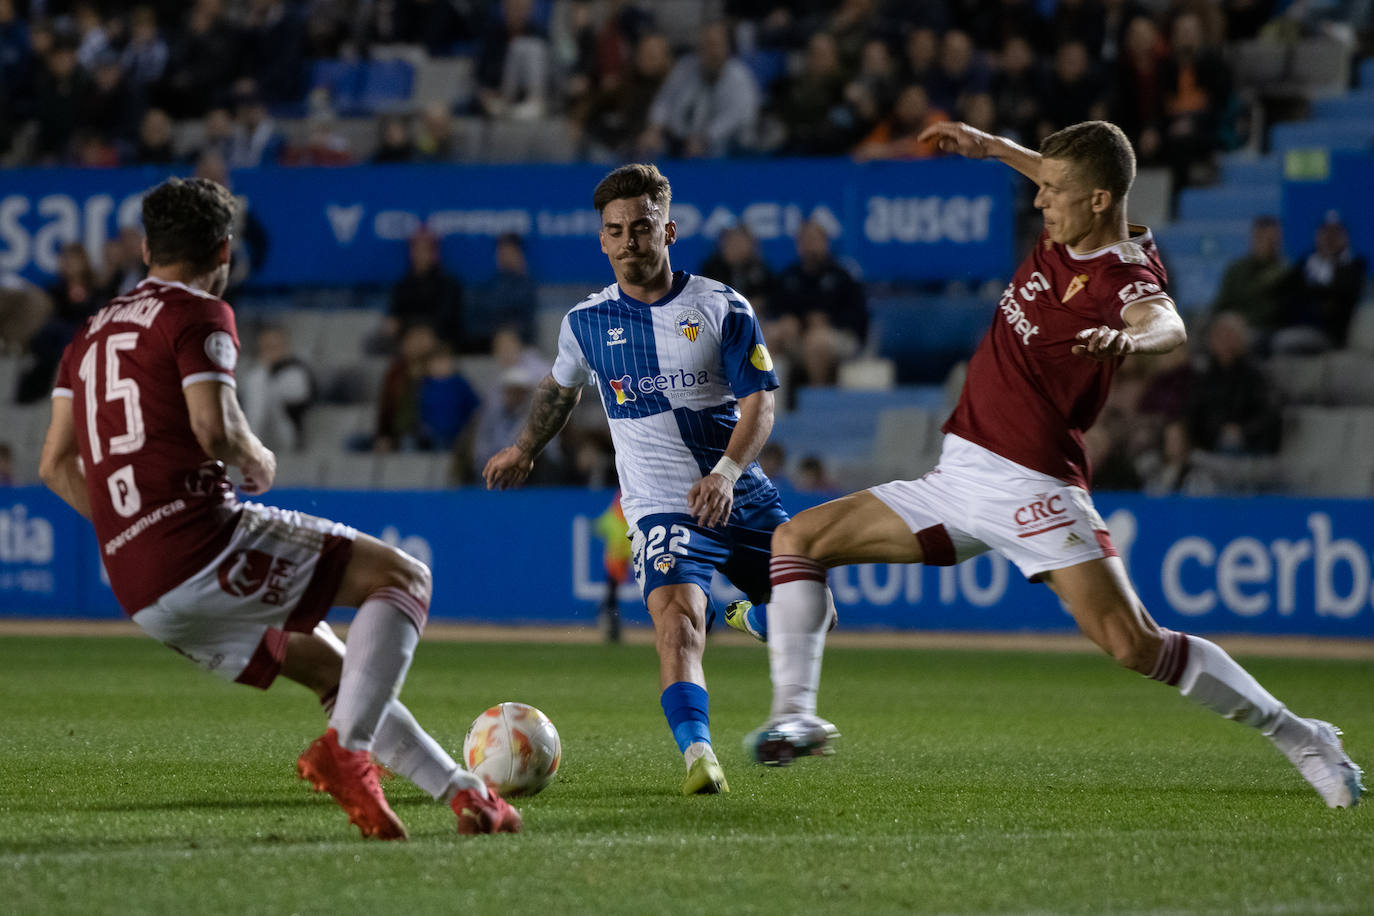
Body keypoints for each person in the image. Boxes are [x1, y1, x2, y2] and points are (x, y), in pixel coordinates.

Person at [745, 119, 1364, 810]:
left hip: (1034, 487)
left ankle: (1300, 734)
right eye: (1041, 187)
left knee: (1134, 645)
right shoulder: (1069, 221)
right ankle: (794, 715)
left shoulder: (1122, 275)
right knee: (797, 540)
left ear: (1100, 201)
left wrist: (1129, 338)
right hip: (955, 478)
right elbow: (1053, 170)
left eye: (1054, 191)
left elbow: (1168, 323)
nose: (1041, 203)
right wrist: (991, 145)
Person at [38, 177, 521, 839]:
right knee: (405, 579)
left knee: (338, 671)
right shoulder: (198, 313)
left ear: (145, 248)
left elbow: (54, 465)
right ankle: (346, 752)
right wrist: (255, 454)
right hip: (202, 542)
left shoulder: (86, 336)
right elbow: (214, 429)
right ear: (225, 251)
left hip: (139, 583)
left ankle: (463, 793)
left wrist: (132, 529)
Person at [483, 163, 829, 795]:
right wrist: (524, 448)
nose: (628, 243)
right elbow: (558, 391)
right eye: (614, 231)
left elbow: (761, 405)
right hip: (658, 505)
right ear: (602, 240)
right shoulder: (584, 322)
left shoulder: (721, 305)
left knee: (818, 613)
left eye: (641, 229)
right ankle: (700, 756)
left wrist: (725, 472)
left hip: (738, 492)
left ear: (667, 230)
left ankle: (745, 612)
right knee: (676, 623)